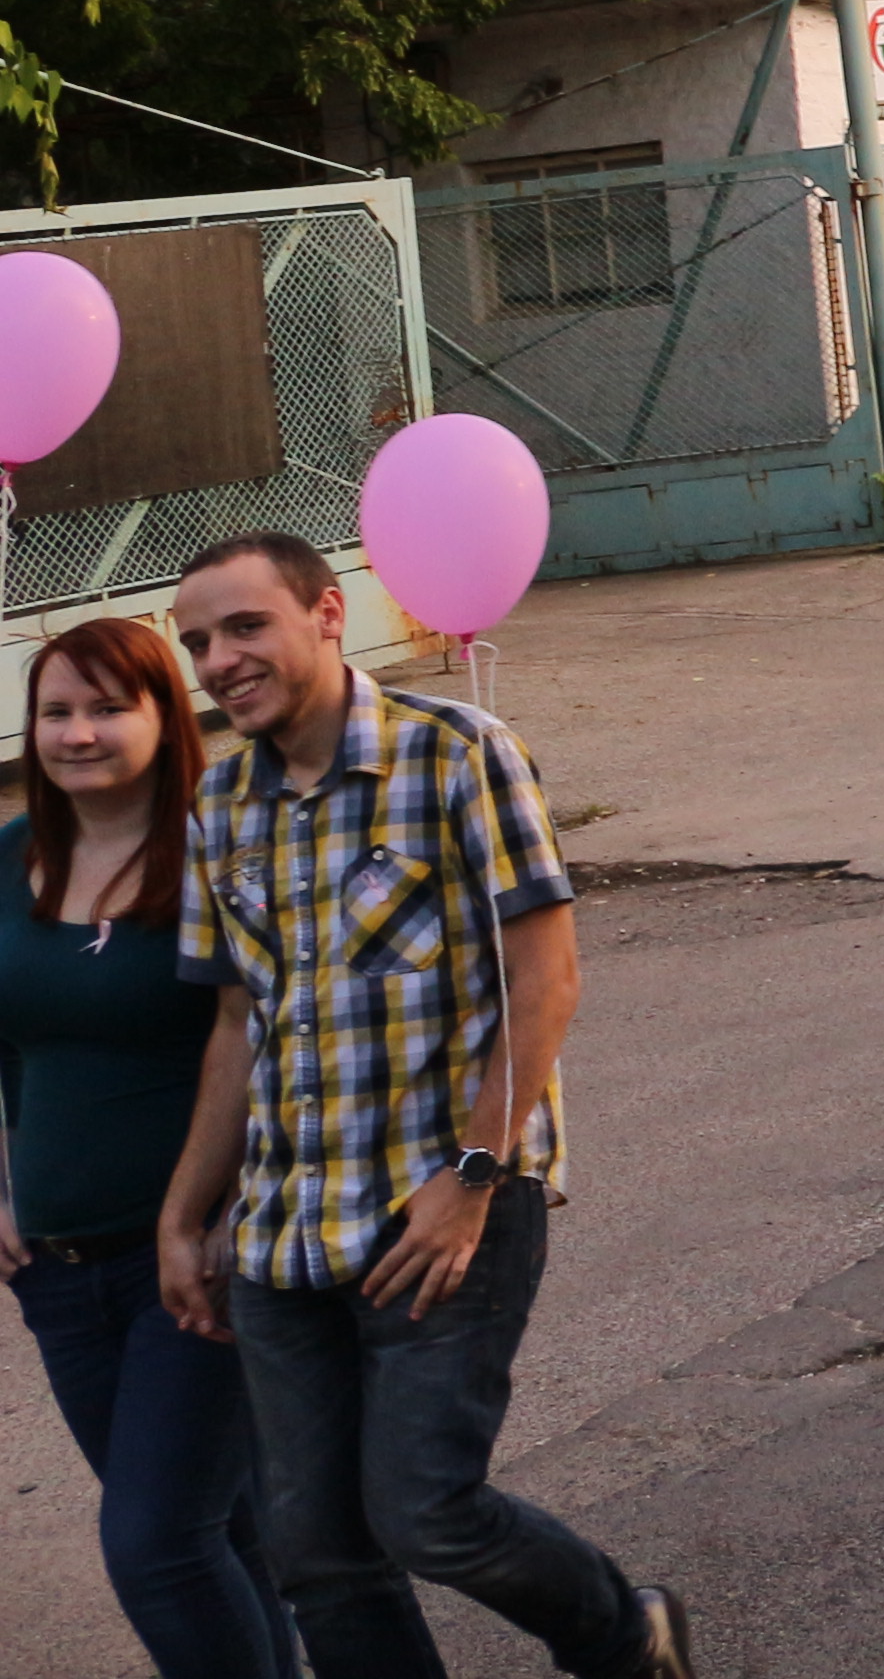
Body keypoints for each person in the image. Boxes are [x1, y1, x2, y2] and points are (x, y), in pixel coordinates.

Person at [159, 529, 695, 1679]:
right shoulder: (221, 802)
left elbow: (546, 977)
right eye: (198, 642)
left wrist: (475, 1176)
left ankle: (623, 1636)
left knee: (426, 1512)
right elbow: (236, 1025)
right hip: (283, 1229)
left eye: (245, 626)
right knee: (318, 1555)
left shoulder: (455, 754)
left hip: (437, 1208)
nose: (220, 661)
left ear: (326, 615)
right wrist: (185, 1213)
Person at [10, 620, 297, 1678]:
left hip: (188, 1263)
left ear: (164, 717)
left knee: (157, 1546)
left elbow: (269, 1037)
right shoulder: (7, 859)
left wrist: (226, 1215)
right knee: (221, 1533)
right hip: (56, 1271)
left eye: (107, 708)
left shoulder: (220, 855)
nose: (78, 733)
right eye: (56, 712)